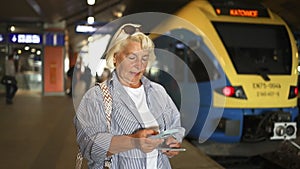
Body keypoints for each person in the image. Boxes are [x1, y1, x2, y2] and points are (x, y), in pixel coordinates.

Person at [74, 23, 185, 169]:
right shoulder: (95, 97)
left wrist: (171, 142)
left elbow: (175, 126)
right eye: (132, 57)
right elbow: (89, 147)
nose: (139, 65)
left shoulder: (158, 92)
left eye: (144, 58)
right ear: (115, 58)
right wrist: (133, 141)